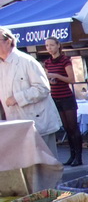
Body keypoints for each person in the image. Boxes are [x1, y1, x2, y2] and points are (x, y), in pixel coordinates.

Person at [0, 27, 62, 159]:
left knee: (46, 164)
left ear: (8, 41)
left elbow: (42, 88)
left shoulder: (26, 61)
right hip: (15, 124)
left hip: (37, 122)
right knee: (27, 166)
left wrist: (17, 97)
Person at [44, 37, 83, 166]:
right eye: (47, 46)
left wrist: (56, 76)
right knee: (66, 128)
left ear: (58, 46)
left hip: (66, 97)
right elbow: (48, 79)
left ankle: (79, 156)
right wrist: (50, 80)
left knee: (73, 127)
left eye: (51, 45)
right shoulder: (48, 62)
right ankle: (72, 155)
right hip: (55, 97)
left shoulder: (65, 60)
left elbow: (71, 79)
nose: (49, 48)